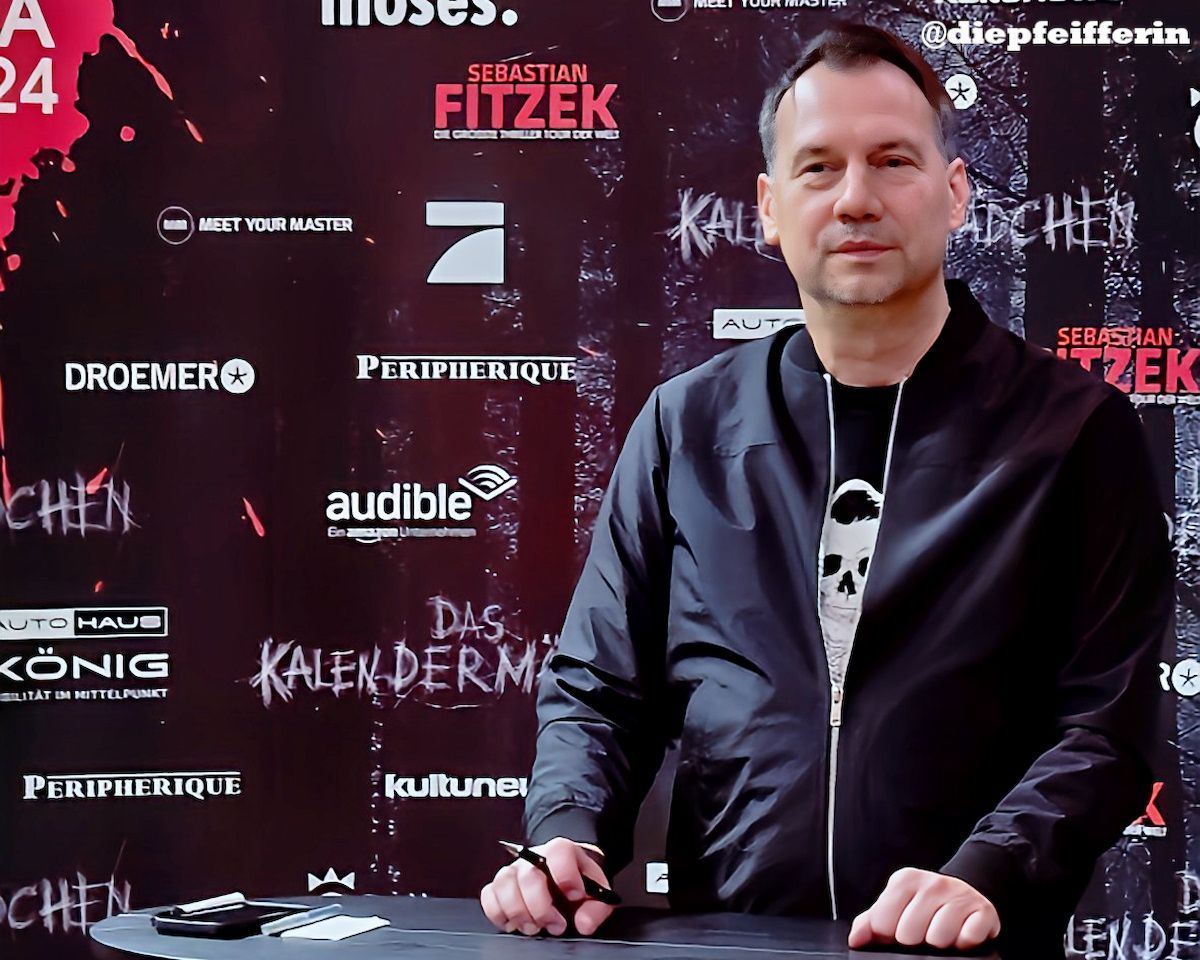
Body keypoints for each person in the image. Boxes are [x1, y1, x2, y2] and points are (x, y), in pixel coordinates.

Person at [479, 22, 1173, 959]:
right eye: (818, 168)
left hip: (967, 949)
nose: (855, 198)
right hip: (730, 943)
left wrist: (988, 870)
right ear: (770, 207)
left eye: (892, 160)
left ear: (955, 194)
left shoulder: (1074, 431)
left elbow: (1105, 723)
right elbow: (600, 688)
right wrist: (568, 834)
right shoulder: (687, 426)